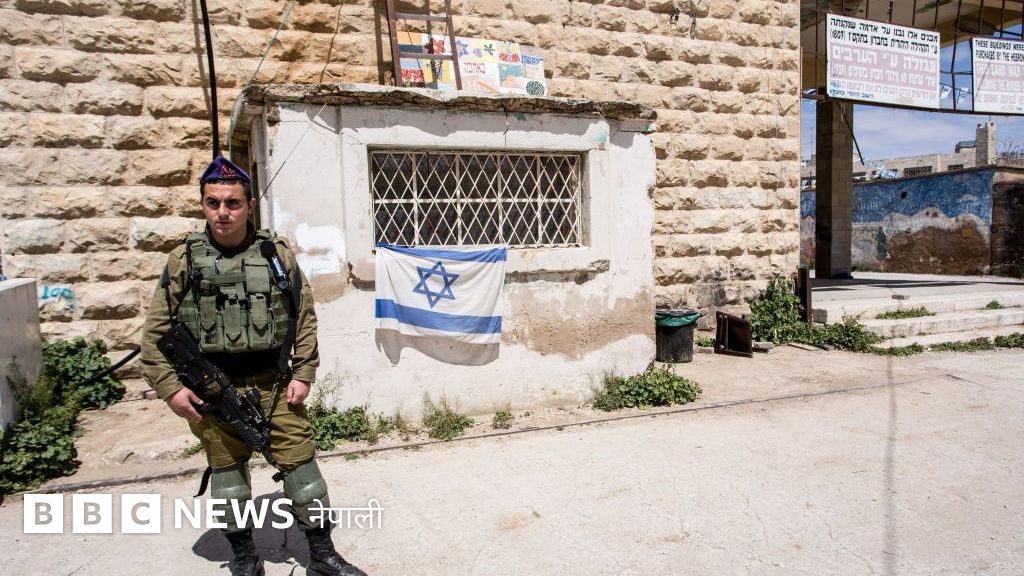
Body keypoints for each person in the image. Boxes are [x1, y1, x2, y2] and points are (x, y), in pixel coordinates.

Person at [139, 155, 367, 576]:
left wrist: (304, 372)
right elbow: (154, 335)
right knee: (229, 485)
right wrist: (170, 388)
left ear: (249, 205)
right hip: (212, 393)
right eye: (213, 203)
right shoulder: (183, 261)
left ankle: (322, 556)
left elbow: (303, 316)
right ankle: (245, 560)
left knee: (305, 477)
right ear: (203, 205)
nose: (222, 212)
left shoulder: (276, 254)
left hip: (274, 386)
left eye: (232, 203)